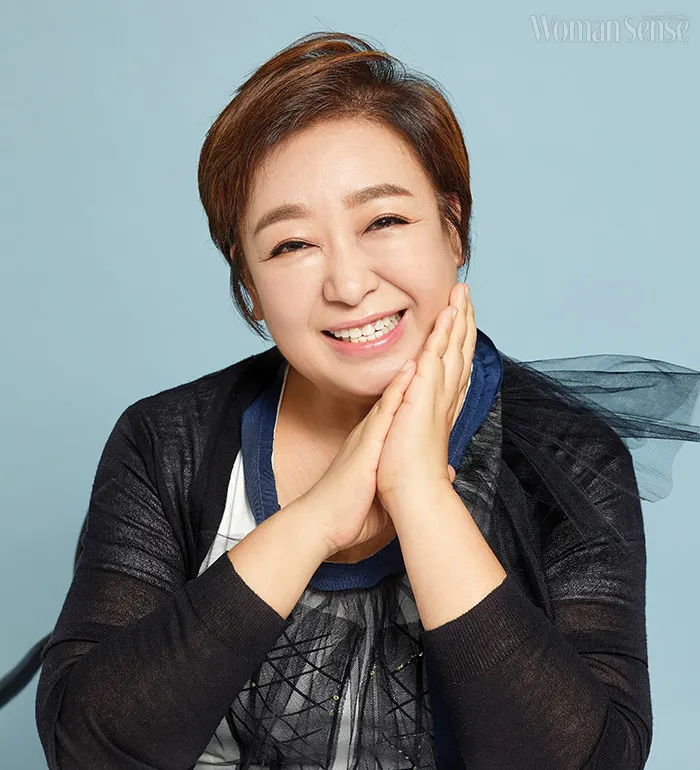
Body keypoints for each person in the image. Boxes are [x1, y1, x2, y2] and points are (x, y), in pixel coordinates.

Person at [35, 31, 700, 769]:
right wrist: (317, 518)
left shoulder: (568, 459)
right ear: (248, 285)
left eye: (384, 221)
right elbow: (86, 748)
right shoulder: (167, 444)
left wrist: (420, 495)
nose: (349, 285)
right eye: (291, 245)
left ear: (453, 228)